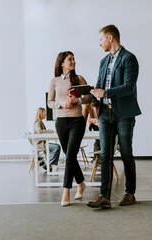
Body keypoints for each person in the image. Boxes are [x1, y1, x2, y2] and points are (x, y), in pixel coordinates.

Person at [87, 24, 141, 209]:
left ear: (110, 38)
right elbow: (100, 85)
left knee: (126, 152)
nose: (99, 43)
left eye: (101, 39)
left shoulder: (129, 59)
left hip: (124, 113)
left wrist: (106, 92)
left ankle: (130, 193)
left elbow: (128, 87)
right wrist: (93, 96)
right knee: (105, 154)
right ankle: (104, 196)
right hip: (105, 113)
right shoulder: (103, 62)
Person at [48, 51, 92, 207]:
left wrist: (77, 100)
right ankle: (81, 183)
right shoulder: (54, 80)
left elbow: (90, 97)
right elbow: (50, 102)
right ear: (62, 63)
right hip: (61, 122)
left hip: (77, 122)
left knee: (70, 155)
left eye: (74, 59)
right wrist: (61, 104)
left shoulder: (79, 79)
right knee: (70, 156)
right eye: (70, 60)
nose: (73, 62)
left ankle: (66, 190)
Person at [34, 107, 61, 171]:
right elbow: (40, 131)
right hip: (40, 144)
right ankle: (44, 161)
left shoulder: (40, 122)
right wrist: (51, 131)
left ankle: (48, 164)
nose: (46, 115)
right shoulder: (37, 123)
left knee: (57, 147)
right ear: (41, 114)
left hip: (43, 143)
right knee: (56, 148)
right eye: (44, 113)